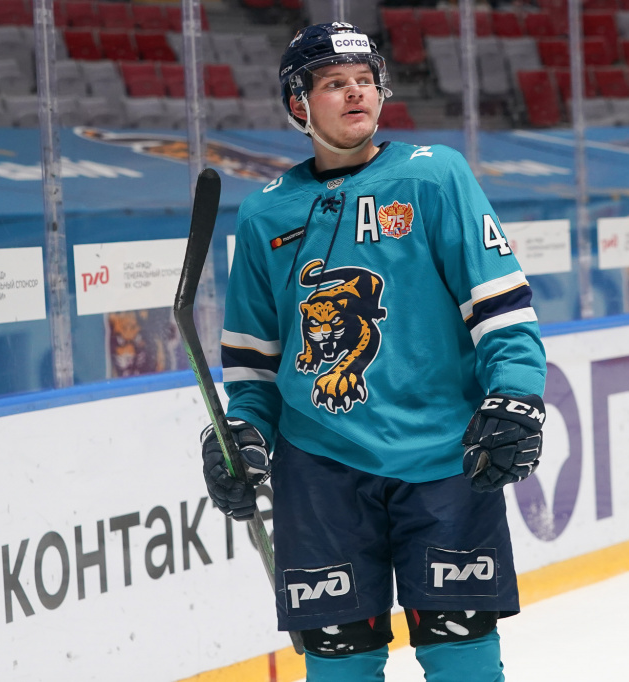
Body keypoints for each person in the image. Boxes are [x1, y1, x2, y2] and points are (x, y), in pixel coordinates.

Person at [200, 22, 547, 682]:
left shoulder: (434, 176)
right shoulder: (266, 214)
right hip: (320, 470)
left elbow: (501, 309)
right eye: (334, 83)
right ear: (298, 104)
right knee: (339, 665)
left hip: (445, 457)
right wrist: (241, 433)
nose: (356, 92)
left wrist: (516, 392)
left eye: (365, 81)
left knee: (462, 656)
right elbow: (255, 367)